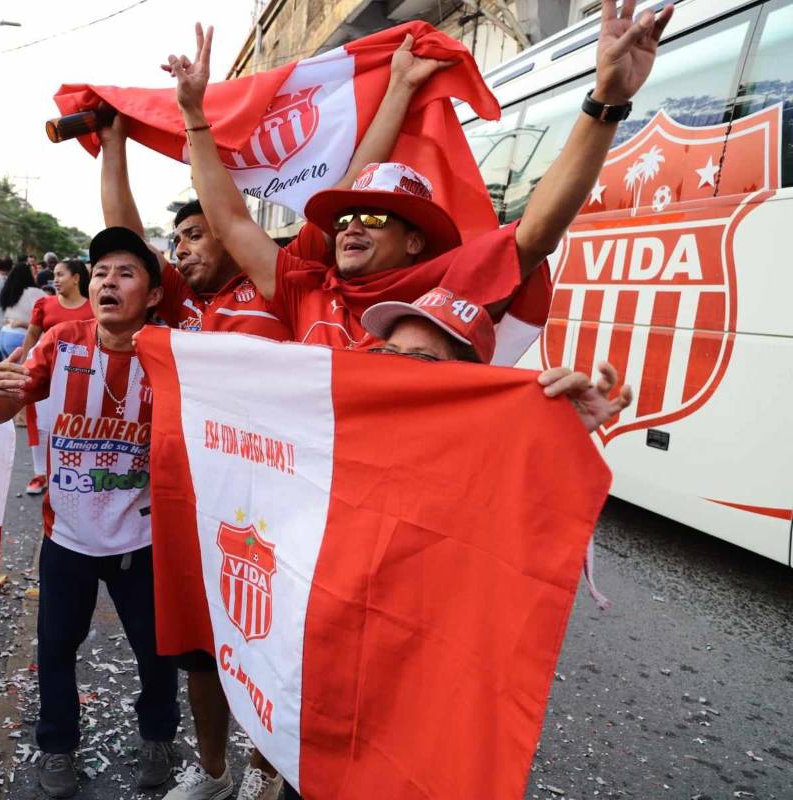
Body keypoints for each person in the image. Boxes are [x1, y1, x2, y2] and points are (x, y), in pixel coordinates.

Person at [100, 38, 459, 800]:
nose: (185, 247)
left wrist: (395, 89)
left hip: (281, 507)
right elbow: (124, 233)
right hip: (193, 500)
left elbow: (357, 188)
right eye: (180, 239)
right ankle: (216, 771)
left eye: (198, 233)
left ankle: (269, 770)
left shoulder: (287, 280)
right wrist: (126, 139)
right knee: (199, 649)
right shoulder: (176, 302)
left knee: (276, 645)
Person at [165, 2, 672, 351]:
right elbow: (230, 220)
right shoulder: (307, 287)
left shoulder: (444, 293)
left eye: (372, 217)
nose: (350, 229)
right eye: (343, 220)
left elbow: (537, 232)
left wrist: (605, 100)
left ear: (414, 242)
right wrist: (193, 112)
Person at [0, 227, 180, 799]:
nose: (107, 282)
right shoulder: (62, 341)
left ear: (155, 295)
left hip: (142, 542)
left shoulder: (175, 354)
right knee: (56, 649)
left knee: (157, 651)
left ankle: (159, 735)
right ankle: (58, 746)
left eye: (125, 273)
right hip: (66, 538)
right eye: (100, 273)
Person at [360, 287, 634, 432]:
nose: (395, 365)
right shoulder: (346, 425)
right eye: (388, 351)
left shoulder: (491, 447)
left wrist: (563, 436)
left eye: (421, 357)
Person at [19, 259, 93, 496]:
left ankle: (73, 473)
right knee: (42, 426)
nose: (56, 280)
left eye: (61, 275)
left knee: (77, 426)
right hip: (45, 375)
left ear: (76, 278)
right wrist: (22, 371)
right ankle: (40, 473)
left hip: (82, 378)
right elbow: (31, 337)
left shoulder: (94, 307)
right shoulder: (45, 304)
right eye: (55, 275)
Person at [0, 261, 45, 360]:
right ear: (28, 275)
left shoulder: (9, 292)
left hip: (4, 335)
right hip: (21, 336)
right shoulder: (36, 292)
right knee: (21, 372)